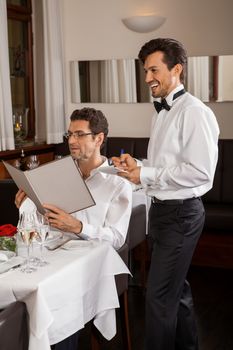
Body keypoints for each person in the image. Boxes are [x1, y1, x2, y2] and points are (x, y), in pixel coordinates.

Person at [112, 38, 219, 350]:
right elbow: (167, 167)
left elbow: (200, 172)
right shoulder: (161, 111)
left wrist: (146, 173)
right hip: (160, 213)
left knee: (158, 298)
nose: (147, 78)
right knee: (175, 290)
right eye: (145, 71)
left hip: (181, 216)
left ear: (177, 69)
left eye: (154, 70)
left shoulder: (195, 112)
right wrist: (138, 166)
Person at [15, 107, 132, 350]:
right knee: (24, 293)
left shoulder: (118, 183)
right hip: (52, 256)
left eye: (79, 134)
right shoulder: (57, 174)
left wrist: (78, 226)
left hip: (91, 264)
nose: (72, 141)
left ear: (98, 138)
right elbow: (39, 218)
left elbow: (118, 238)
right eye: (69, 135)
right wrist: (27, 203)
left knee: (61, 302)